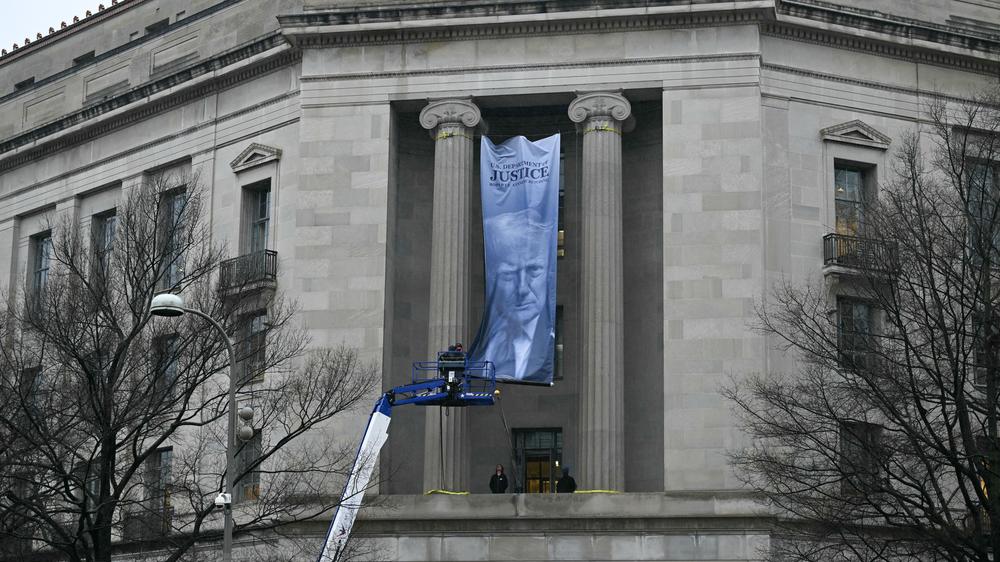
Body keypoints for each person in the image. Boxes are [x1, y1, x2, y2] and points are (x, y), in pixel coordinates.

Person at [471, 209, 555, 383]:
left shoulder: (550, 339)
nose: (523, 289)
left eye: (534, 270)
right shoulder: (489, 347)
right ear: (492, 278)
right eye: (509, 274)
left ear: (548, 271)